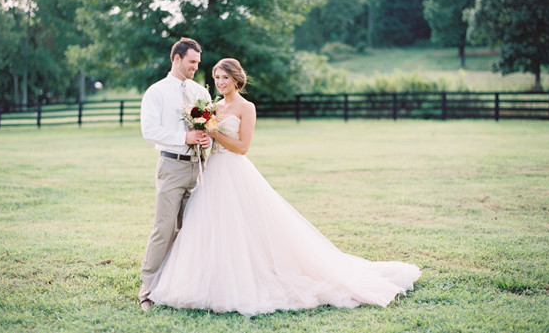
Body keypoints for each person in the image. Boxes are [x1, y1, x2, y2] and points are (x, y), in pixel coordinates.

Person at [148, 58, 421, 317]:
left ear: (236, 80)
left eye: (225, 78)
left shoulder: (246, 107)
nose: (220, 82)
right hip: (212, 171)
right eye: (217, 77)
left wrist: (214, 131)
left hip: (234, 170)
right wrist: (206, 136)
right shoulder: (214, 107)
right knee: (211, 226)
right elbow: (210, 141)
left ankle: (248, 279)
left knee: (243, 226)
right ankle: (209, 280)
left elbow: (242, 148)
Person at [138, 37, 211, 311]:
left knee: (193, 228)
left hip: (200, 166)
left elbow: (209, 126)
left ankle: (183, 287)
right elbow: (150, 131)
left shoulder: (200, 92)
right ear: (177, 58)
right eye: (192, 62)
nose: (195, 67)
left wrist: (207, 139)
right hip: (172, 166)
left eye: (198, 63)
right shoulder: (156, 92)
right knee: (164, 228)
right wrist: (184, 137)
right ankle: (147, 290)